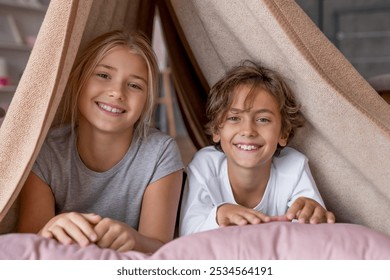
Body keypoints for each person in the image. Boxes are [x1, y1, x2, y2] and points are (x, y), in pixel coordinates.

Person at [16, 30, 184, 253]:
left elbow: (161, 249)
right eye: (104, 75)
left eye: (134, 85)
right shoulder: (46, 152)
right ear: (78, 82)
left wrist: (135, 240)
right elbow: (25, 248)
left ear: (146, 102)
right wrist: (49, 230)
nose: (117, 92)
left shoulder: (160, 152)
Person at [179, 61, 335, 236]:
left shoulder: (294, 167)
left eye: (263, 120)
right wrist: (219, 214)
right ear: (216, 130)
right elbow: (188, 233)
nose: (248, 131)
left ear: (283, 133)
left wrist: (312, 214)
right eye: (234, 118)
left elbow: (311, 226)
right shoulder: (204, 166)